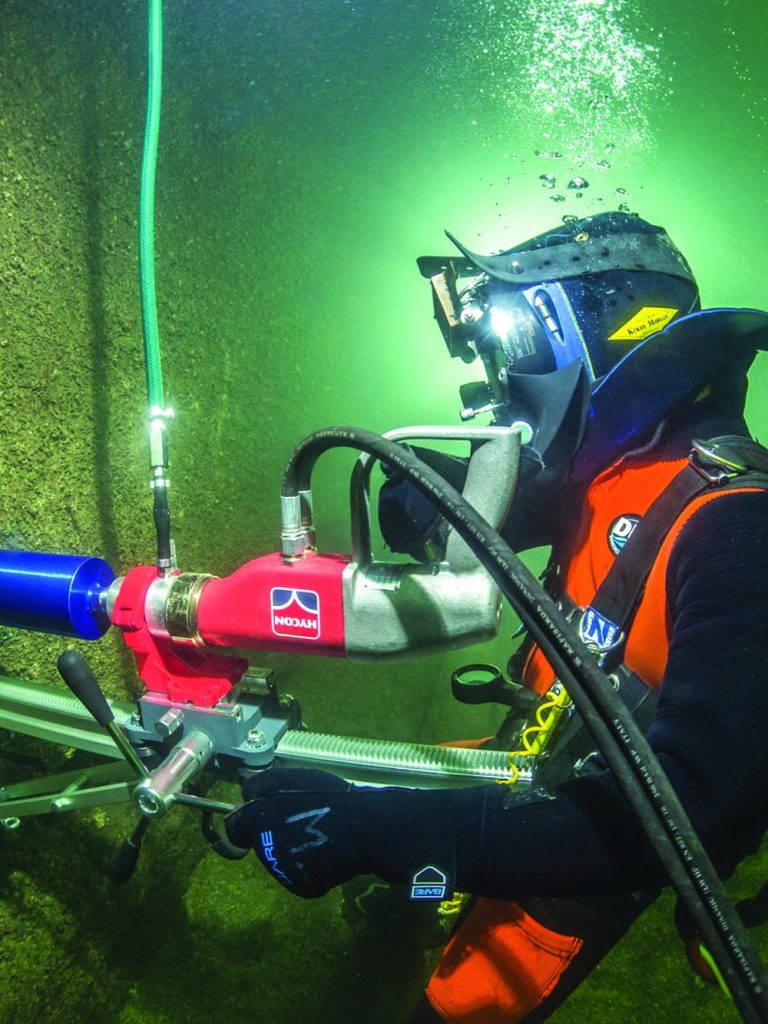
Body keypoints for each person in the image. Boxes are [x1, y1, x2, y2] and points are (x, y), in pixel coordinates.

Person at [225, 211, 768, 1023]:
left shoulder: (739, 530)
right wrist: (421, 495)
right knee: (323, 784)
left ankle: (416, 892)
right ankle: (406, 905)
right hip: (534, 755)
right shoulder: (619, 468)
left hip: (593, 834)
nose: (496, 378)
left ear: (599, 341)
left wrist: (383, 831)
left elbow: (697, 810)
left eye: (514, 346)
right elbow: (485, 516)